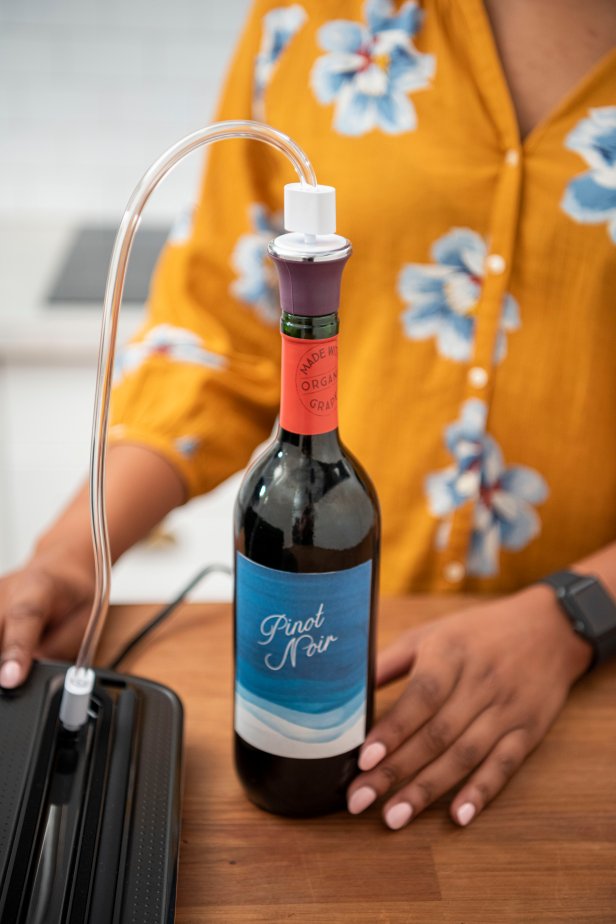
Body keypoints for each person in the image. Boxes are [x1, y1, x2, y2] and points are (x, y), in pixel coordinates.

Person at [1, 0, 615, 831]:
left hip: (581, 696)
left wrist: (576, 614)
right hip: (352, 686)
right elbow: (216, 337)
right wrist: (75, 556)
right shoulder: (310, 18)